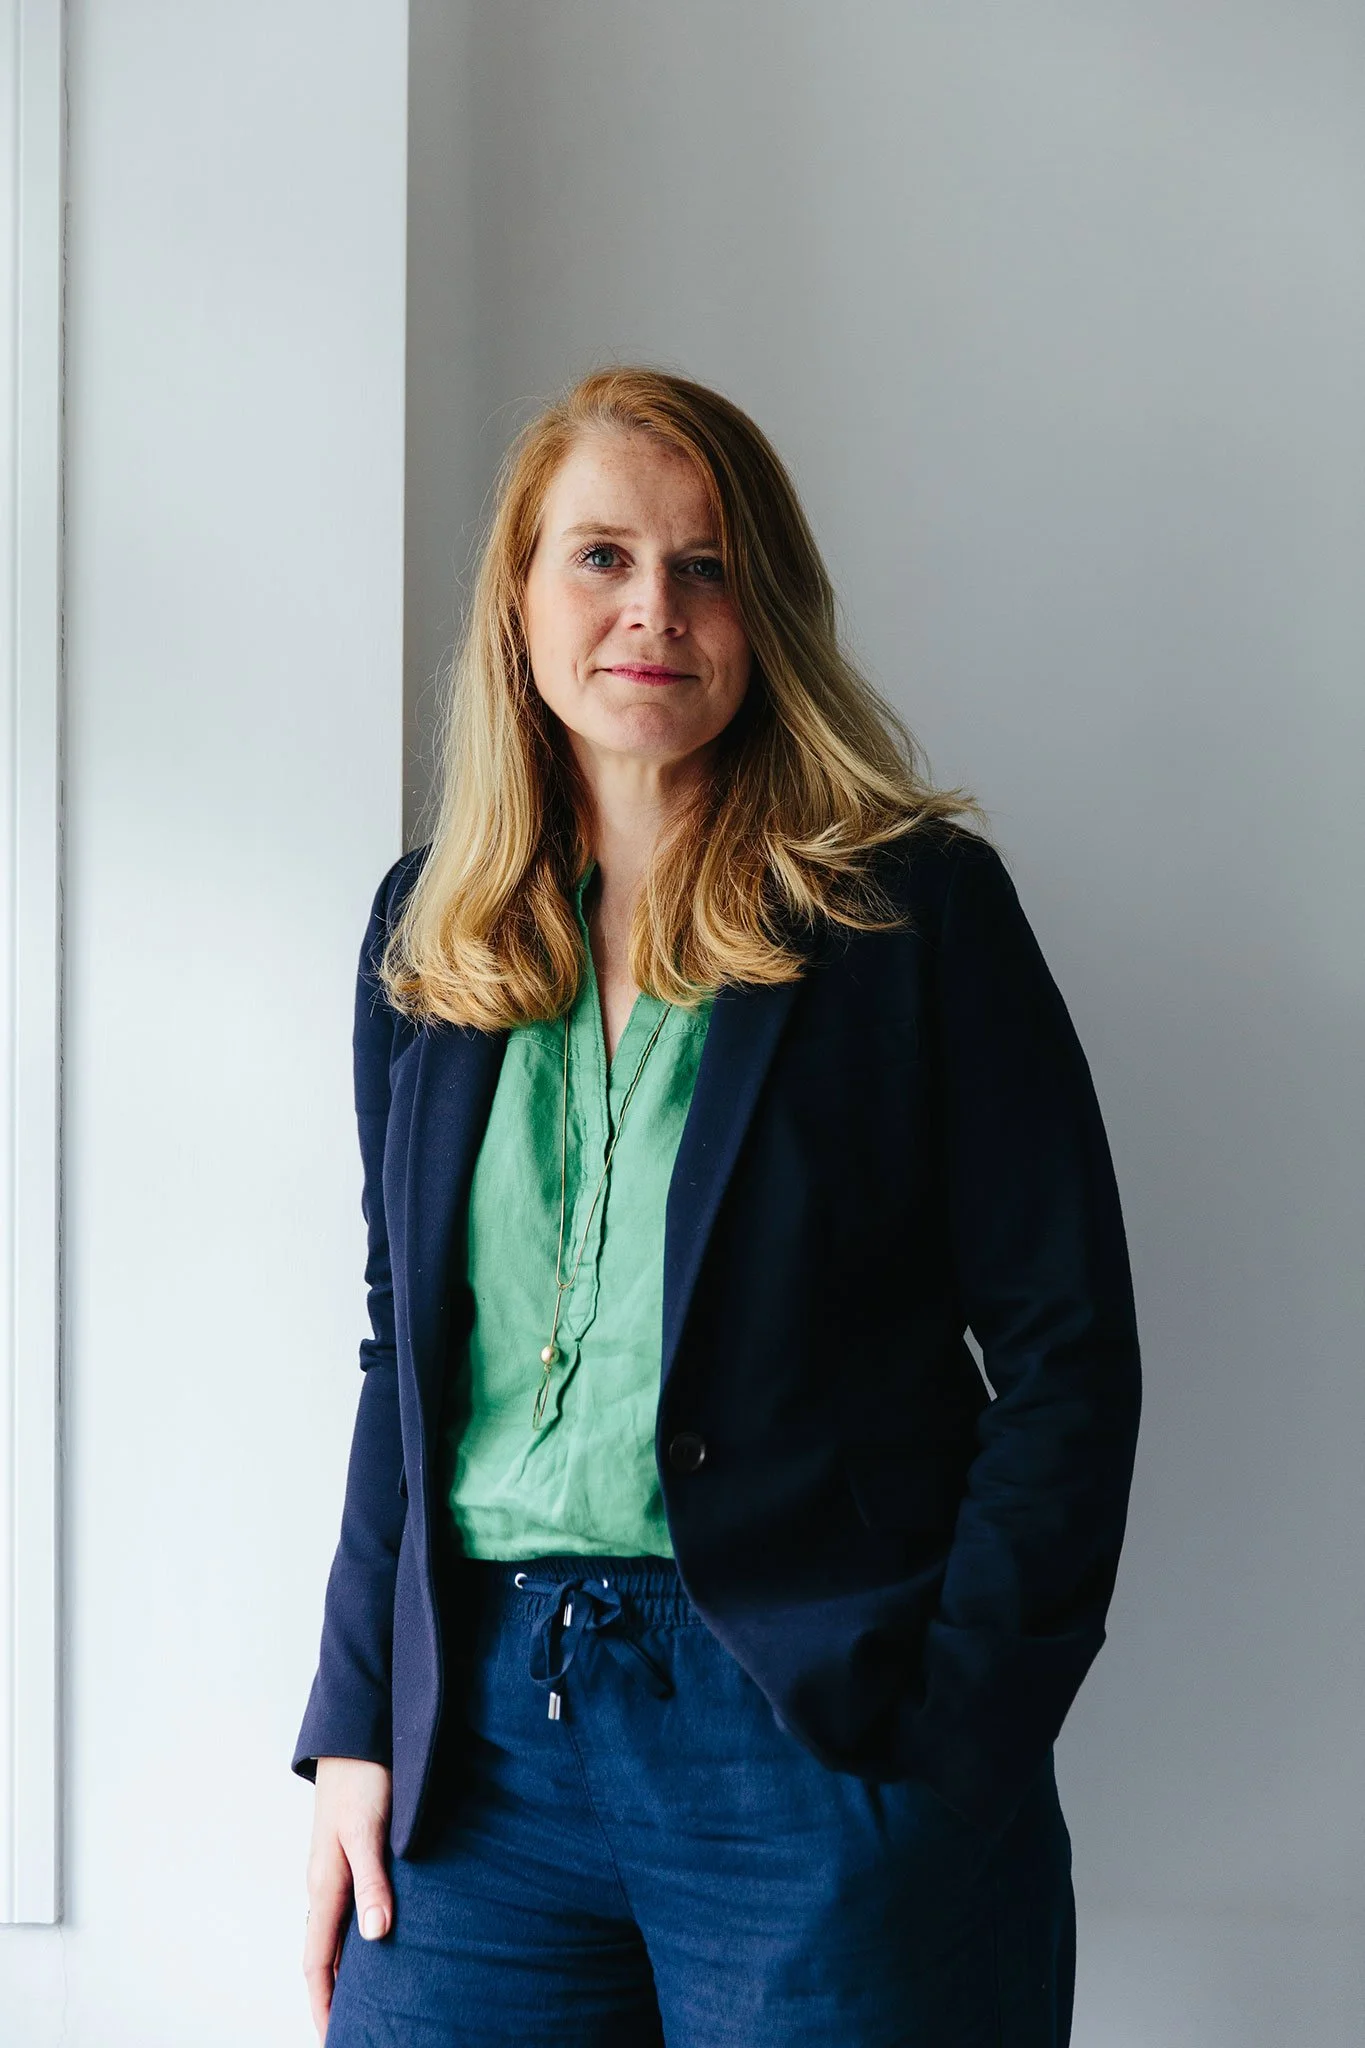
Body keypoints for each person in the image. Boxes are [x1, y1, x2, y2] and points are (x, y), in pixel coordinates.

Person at [293, 365, 1142, 2047]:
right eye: (600, 558)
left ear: (766, 612)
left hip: (817, 1736)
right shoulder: (431, 935)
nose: (652, 612)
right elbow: (408, 1353)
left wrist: (959, 1734)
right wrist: (351, 1726)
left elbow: (1067, 1345)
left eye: (705, 566)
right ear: (520, 601)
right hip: (483, 1743)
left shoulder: (910, 912)